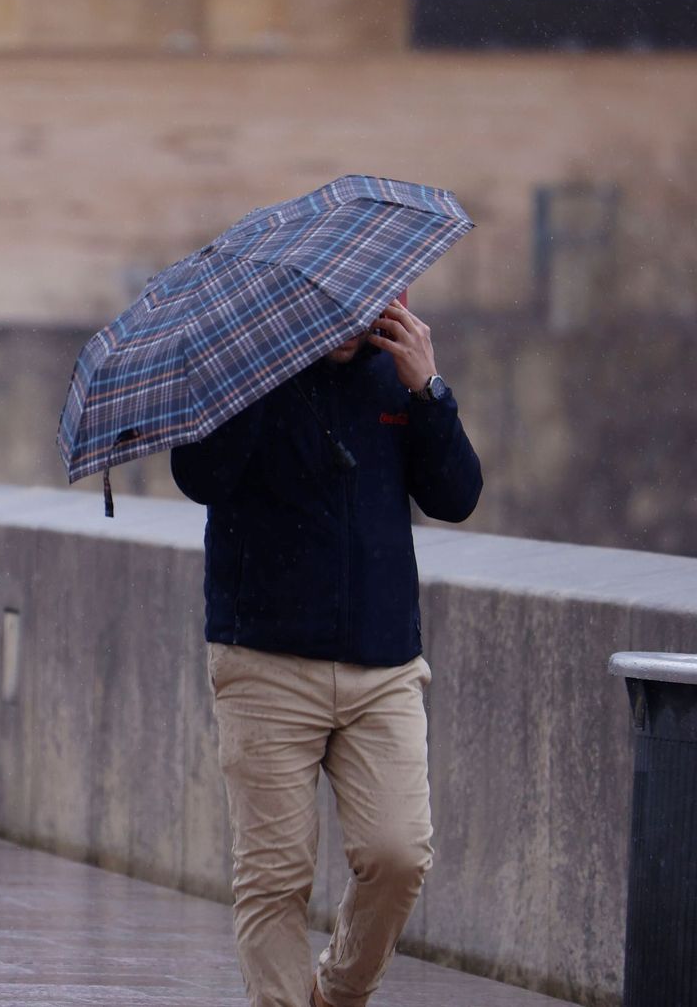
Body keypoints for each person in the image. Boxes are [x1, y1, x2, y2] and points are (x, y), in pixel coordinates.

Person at [170, 299, 482, 1007]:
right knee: (275, 878)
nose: (362, 318)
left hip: (384, 663)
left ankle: (336, 994)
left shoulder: (395, 378)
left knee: (398, 855)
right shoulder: (249, 369)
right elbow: (199, 477)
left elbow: (457, 496)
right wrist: (249, 375)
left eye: (382, 301)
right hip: (265, 661)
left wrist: (429, 391)